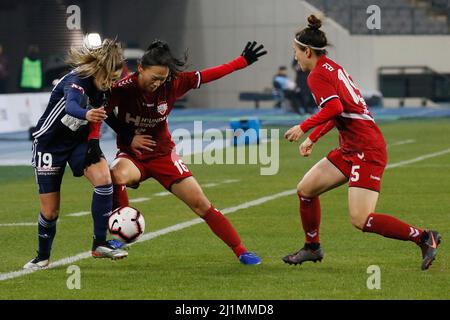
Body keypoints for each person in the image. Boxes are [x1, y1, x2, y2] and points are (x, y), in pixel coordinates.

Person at [282, 15, 441, 271]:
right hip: (351, 147)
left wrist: (304, 127)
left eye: (296, 53)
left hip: (366, 149)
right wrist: (314, 138)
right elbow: (340, 111)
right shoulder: (331, 67)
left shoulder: (316, 76)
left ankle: (424, 237)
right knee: (306, 190)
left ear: (307, 51)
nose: (296, 58)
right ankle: (312, 247)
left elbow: (334, 107)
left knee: (361, 219)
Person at [89, 40, 267, 265]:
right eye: (154, 78)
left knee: (201, 204)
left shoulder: (174, 83)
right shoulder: (123, 87)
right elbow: (101, 113)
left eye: (162, 79)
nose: (157, 83)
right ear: (140, 68)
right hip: (133, 156)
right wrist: (126, 137)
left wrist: (241, 62)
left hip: (164, 155)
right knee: (115, 175)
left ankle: (241, 250)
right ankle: (122, 231)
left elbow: (210, 74)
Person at [24, 38, 128, 270]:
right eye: (109, 78)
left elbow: (107, 114)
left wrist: (129, 134)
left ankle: (99, 243)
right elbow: (72, 106)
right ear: (99, 69)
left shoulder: (103, 86)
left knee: (104, 180)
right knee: (51, 212)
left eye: (115, 79)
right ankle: (42, 256)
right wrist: (87, 114)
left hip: (77, 142)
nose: (111, 83)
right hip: (49, 145)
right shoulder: (76, 80)